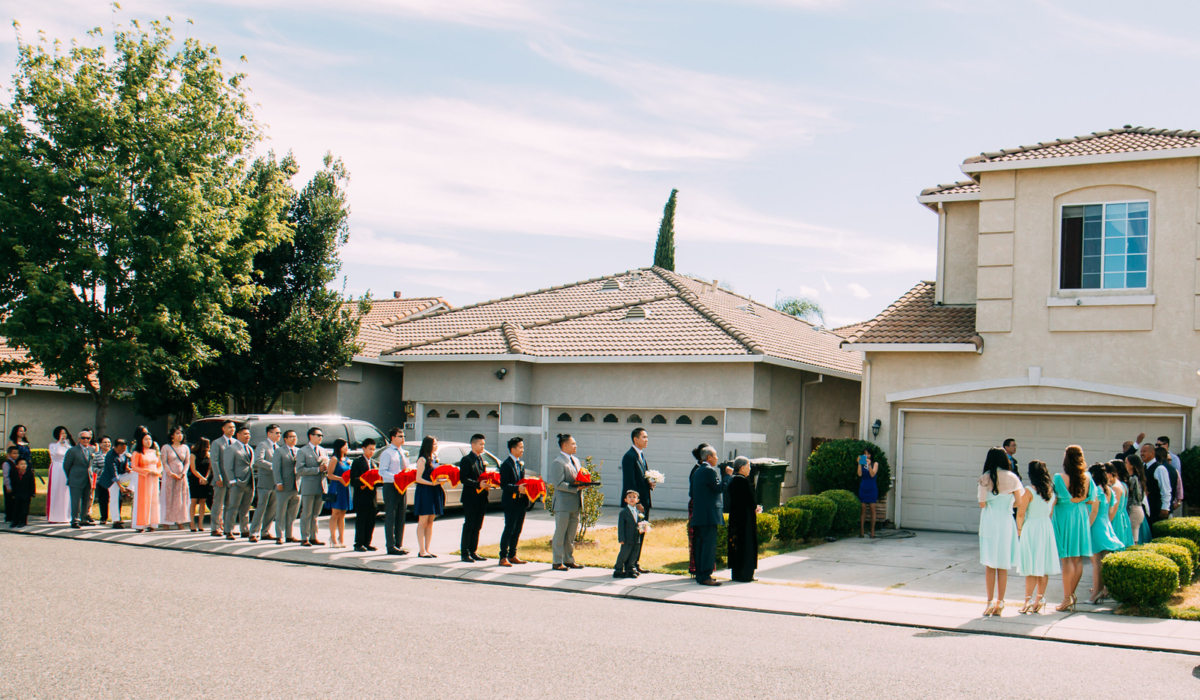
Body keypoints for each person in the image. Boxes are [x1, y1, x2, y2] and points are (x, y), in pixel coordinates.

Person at [977, 447, 1024, 617]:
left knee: (990, 564)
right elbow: (1019, 502)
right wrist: (1007, 505)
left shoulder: (985, 477)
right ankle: (1001, 602)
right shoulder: (1013, 478)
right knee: (1003, 565)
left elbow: (982, 503)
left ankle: (989, 602)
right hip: (1005, 521)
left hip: (990, 520)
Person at [1051, 445, 1095, 612]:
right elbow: (1091, 499)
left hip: (1064, 516)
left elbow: (1054, 499)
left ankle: (1066, 597)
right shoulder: (1088, 477)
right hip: (1081, 516)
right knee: (1077, 559)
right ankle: (1071, 594)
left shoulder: (1059, 477)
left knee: (1067, 559)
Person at [1016, 460, 1059, 614]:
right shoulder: (1051, 490)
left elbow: (1020, 514)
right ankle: (1039, 599)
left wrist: (1019, 531)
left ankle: (1027, 601)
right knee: (1043, 565)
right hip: (1046, 526)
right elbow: (1051, 511)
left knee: (1031, 567)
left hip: (1032, 527)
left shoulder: (1028, 490)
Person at [690, 444, 732, 586]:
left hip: (699, 515)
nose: (717, 458)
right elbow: (719, 488)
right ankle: (706, 575)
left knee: (701, 546)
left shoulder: (697, 471)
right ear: (709, 457)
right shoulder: (709, 471)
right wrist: (727, 476)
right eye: (715, 456)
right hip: (709, 515)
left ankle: (701, 574)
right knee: (708, 546)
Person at [1086, 462, 1125, 604]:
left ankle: (1095, 594)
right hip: (1106, 524)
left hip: (1096, 525)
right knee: (1103, 562)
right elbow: (1110, 510)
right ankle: (1103, 590)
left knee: (1096, 563)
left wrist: (1086, 528)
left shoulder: (1096, 490)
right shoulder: (1109, 490)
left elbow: (1094, 511)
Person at [621, 428, 654, 574]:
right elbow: (630, 482)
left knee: (641, 533)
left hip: (643, 502)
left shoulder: (641, 455)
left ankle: (635, 562)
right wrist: (637, 503)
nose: (647, 440)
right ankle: (628, 566)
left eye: (647, 437)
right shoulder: (629, 456)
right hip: (635, 505)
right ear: (635, 439)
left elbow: (640, 479)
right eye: (644, 437)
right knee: (632, 536)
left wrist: (649, 483)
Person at [549, 434, 584, 571]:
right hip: (563, 504)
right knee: (560, 533)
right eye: (573, 444)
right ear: (565, 445)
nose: (576, 446)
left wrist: (583, 484)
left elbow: (577, 478)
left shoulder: (575, 460)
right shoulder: (558, 462)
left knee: (571, 534)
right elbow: (558, 484)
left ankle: (569, 559)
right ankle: (557, 561)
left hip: (575, 503)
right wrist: (576, 488)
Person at [458, 433, 493, 562]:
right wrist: (478, 484)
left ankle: (473, 551)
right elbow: (464, 479)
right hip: (470, 497)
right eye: (480, 444)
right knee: (469, 524)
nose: (483, 446)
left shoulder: (480, 460)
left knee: (478, 525)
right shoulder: (466, 460)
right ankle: (464, 552)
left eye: (483, 444)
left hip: (481, 497)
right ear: (473, 445)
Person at [726, 456, 760, 583]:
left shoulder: (732, 481)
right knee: (747, 545)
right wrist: (756, 507)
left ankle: (736, 573)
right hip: (746, 519)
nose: (750, 469)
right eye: (748, 466)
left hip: (735, 516)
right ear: (741, 467)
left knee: (736, 544)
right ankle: (746, 574)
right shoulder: (744, 482)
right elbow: (750, 500)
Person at [377, 428, 410, 556]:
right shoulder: (387, 453)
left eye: (403, 436)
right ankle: (390, 545)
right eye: (400, 436)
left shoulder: (404, 452)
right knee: (391, 514)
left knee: (401, 514)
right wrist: (395, 477)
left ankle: (398, 544)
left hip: (402, 486)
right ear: (392, 438)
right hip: (391, 485)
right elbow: (382, 471)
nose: (403, 438)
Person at [498, 436, 529, 567]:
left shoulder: (520, 464)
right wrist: (517, 489)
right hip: (510, 502)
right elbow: (504, 485)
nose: (523, 449)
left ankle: (512, 554)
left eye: (523, 447)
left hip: (521, 502)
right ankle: (503, 556)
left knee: (517, 529)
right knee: (509, 529)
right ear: (513, 449)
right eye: (520, 447)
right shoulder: (506, 465)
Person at [296, 427, 329, 547]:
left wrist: (326, 469)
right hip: (309, 485)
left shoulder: (323, 450)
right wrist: (316, 469)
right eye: (318, 435)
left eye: (321, 435)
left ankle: (314, 536)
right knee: (307, 513)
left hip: (321, 485)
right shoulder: (303, 451)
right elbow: (299, 469)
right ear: (311, 436)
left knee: (316, 513)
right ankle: (304, 537)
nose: (320, 437)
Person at [412, 435, 443, 558]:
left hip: (435, 490)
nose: (436, 446)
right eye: (434, 444)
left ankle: (428, 549)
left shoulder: (435, 458)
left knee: (431, 521)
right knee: (423, 521)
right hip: (425, 491)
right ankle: (421, 550)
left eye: (437, 444)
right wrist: (432, 483)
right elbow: (418, 478)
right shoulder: (422, 460)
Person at [223, 426, 256, 541]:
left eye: (249, 434)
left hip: (249, 482)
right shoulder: (232, 448)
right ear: (238, 435)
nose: (248, 436)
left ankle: (245, 529)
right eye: (245, 434)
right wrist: (232, 480)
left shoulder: (250, 448)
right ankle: (229, 530)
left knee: (246, 508)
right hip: (237, 482)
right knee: (233, 507)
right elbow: (228, 466)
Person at [250, 424, 281, 543]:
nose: (279, 435)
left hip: (276, 482)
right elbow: (258, 461)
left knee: (272, 509)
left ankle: (265, 531)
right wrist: (274, 466)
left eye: (280, 433)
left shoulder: (278, 447)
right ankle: (254, 532)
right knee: (261, 507)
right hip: (265, 482)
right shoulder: (263, 445)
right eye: (277, 433)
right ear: (269, 434)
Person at [271, 429, 302, 544]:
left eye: (296, 437)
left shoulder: (299, 451)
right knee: (281, 512)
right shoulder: (279, 451)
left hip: (296, 486)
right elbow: (276, 468)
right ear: (285, 439)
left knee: (292, 513)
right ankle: (279, 535)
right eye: (291, 437)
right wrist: (278, 482)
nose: (294, 439)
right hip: (284, 486)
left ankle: (289, 535)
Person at [686, 443, 711, 577]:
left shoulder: (702, 469)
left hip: (700, 505)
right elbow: (693, 492)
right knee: (696, 536)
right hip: (697, 506)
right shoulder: (698, 470)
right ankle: (696, 567)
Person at [63, 428, 97, 528]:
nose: (86, 440)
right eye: (83, 438)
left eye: (88, 438)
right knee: (76, 500)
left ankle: (84, 518)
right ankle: (74, 520)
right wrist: (71, 476)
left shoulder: (92, 449)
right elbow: (66, 466)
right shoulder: (72, 451)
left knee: (87, 500)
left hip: (88, 478)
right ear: (79, 439)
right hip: (76, 478)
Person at [350, 438, 379, 552]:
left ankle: (367, 542)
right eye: (370, 449)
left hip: (372, 496)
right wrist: (366, 480)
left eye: (373, 449)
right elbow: (354, 480)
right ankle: (358, 543)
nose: (372, 451)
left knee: (370, 521)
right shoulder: (357, 461)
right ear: (364, 448)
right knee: (361, 521)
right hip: (361, 496)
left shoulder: (374, 463)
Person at [130, 432, 162, 532]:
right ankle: (140, 525)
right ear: (141, 441)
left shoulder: (154, 452)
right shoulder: (137, 453)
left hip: (154, 478)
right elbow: (134, 467)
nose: (149, 441)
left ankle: (152, 523)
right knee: (143, 501)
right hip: (143, 478)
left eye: (150, 439)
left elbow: (160, 465)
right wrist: (147, 471)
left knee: (154, 500)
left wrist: (157, 471)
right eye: (146, 439)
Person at [159, 427, 191, 530]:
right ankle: (166, 522)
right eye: (177, 433)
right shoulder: (166, 447)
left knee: (181, 498)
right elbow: (164, 462)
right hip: (169, 476)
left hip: (181, 476)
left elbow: (187, 462)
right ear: (172, 435)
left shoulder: (185, 447)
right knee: (167, 498)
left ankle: (180, 521)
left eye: (181, 433)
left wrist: (183, 473)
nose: (180, 435)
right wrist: (171, 473)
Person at [209, 420, 237, 537]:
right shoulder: (217, 443)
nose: (232, 429)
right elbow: (214, 461)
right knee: (218, 503)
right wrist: (217, 476)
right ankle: (215, 527)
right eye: (229, 427)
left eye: (233, 427)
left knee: (231, 504)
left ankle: (228, 527)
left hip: (233, 478)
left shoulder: (236, 443)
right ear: (223, 429)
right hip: (221, 477)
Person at [325, 438, 351, 548]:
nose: (346, 448)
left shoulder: (346, 459)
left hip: (345, 487)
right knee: (335, 514)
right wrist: (340, 478)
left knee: (342, 514)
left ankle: (341, 538)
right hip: (337, 487)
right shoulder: (334, 459)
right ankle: (333, 538)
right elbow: (329, 475)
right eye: (344, 445)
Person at [46, 426, 75, 524]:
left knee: (66, 491)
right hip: (57, 469)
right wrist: (60, 442)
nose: (63, 435)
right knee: (56, 490)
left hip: (66, 469)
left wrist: (65, 444)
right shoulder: (53, 445)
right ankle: (54, 515)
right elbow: (56, 453)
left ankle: (66, 515)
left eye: (65, 433)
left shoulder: (68, 446)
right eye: (61, 433)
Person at [1141, 443, 1175, 524]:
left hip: (1156, 508)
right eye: (1141, 451)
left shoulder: (1160, 468)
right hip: (1145, 509)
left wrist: (1165, 508)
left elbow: (1166, 490)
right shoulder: (1142, 467)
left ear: (1152, 453)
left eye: (1144, 451)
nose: (1141, 454)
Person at [613, 490, 643, 579]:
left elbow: (640, 523)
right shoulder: (623, 513)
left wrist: (643, 528)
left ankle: (631, 569)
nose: (632, 499)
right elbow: (621, 527)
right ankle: (618, 569)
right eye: (629, 497)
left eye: (634, 497)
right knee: (624, 554)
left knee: (634, 554)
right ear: (625, 500)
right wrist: (621, 538)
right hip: (627, 538)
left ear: (637, 500)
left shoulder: (639, 512)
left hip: (636, 537)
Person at [1108, 461, 1134, 549]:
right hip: (1123, 515)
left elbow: (1114, 507)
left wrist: (1107, 523)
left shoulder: (1116, 487)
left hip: (1116, 518)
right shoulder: (1123, 484)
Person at [188, 438, 212, 532]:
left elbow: (210, 468)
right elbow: (193, 469)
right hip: (195, 479)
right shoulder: (193, 455)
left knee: (203, 501)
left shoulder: (208, 455)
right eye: (207, 445)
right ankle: (192, 523)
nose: (208, 447)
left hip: (205, 480)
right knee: (194, 501)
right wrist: (201, 478)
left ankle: (200, 524)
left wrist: (206, 478)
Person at [1124, 453, 1148, 544]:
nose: (1125, 465)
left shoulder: (1133, 479)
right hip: (1138, 509)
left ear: (1132, 466)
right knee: (1134, 537)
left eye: (1126, 463)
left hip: (1133, 509)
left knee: (1133, 539)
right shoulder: (1138, 478)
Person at [7, 457, 35, 527]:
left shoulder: (29, 474)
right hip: (17, 494)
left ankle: (23, 521)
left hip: (26, 494)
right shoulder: (14, 474)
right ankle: (15, 521)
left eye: (25, 464)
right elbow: (13, 484)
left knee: (24, 509)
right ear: (17, 466)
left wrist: (32, 493)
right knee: (16, 508)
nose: (23, 465)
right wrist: (13, 494)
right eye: (21, 464)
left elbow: (32, 484)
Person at [90, 437, 112, 524]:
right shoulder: (97, 455)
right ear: (100, 444)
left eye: (108, 442)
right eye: (105, 442)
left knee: (116, 499)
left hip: (114, 480)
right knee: (103, 499)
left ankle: (117, 517)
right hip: (102, 480)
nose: (107, 444)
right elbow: (93, 467)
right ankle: (104, 517)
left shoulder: (114, 453)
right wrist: (103, 472)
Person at [858, 448, 879, 538]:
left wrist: (869, 465)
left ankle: (872, 531)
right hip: (863, 487)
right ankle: (862, 531)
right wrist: (859, 464)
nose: (867, 455)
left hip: (872, 488)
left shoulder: (875, 464)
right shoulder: (862, 464)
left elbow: (872, 474)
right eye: (865, 454)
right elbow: (859, 474)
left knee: (872, 508)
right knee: (863, 509)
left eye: (868, 454)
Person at [3, 446, 20, 525]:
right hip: (9, 485)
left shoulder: (16, 463)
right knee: (9, 501)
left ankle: (14, 516)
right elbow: (6, 476)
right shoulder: (6, 464)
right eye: (14, 453)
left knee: (14, 501)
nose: (16, 455)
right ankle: (8, 517)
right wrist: (8, 486)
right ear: (9, 454)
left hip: (15, 485)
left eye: (17, 453)